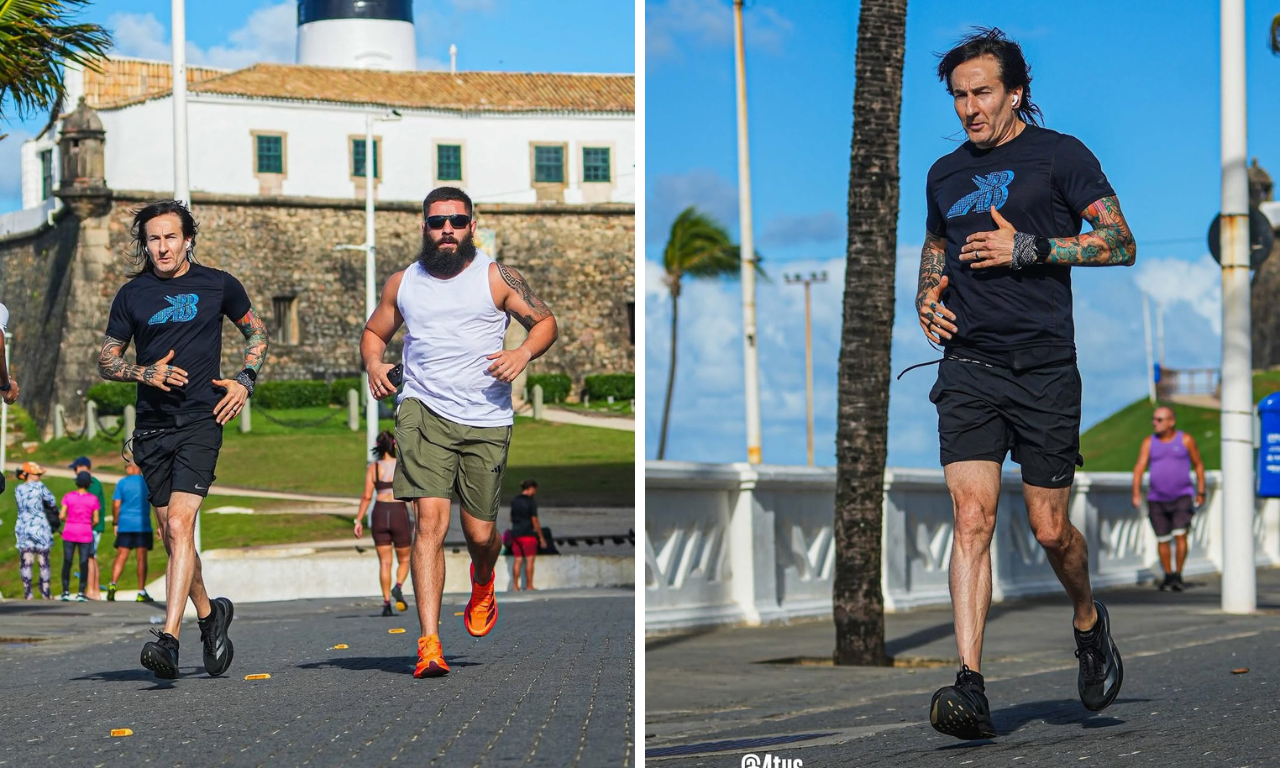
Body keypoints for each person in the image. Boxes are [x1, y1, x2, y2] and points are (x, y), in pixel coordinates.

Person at [915, 28, 1135, 739]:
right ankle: (970, 686)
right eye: (958, 96)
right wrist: (927, 301)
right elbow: (937, 247)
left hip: (1044, 368)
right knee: (971, 517)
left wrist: (1029, 247)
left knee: (1048, 529)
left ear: (1015, 92)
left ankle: (1088, 618)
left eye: (982, 92)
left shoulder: (1060, 156)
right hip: (970, 368)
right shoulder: (944, 173)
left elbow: (1119, 242)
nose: (970, 108)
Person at [362, 186, 558, 677]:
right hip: (422, 411)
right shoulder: (402, 283)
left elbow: (545, 323)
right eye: (436, 222)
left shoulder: (496, 276)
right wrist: (373, 363)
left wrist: (521, 353)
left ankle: (485, 576)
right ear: (424, 227)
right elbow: (374, 332)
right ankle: (429, 643)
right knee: (430, 523)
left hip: (486, 418)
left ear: (472, 225)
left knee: (480, 533)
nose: (446, 229)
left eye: (455, 220)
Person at [97, 199, 269, 680]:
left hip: (201, 419)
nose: (162, 247)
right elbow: (106, 361)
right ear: (144, 244)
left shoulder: (218, 283)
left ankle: (168, 641)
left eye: (171, 237)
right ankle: (212, 616)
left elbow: (257, 334)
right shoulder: (132, 295)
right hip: (152, 428)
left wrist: (244, 379)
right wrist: (143, 372)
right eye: (153, 238)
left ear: (188, 239)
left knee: (178, 527)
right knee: (172, 540)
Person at [1131, 406, 1205, 592]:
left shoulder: (1185, 440)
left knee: (1180, 534)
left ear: (1171, 421)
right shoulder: (1149, 442)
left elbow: (1198, 465)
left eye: (1159, 419)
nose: (1154, 423)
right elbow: (1139, 467)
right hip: (1156, 498)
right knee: (1162, 538)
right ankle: (1168, 575)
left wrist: (1201, 492)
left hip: (1182, 496)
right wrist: (1136, 492)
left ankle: (1178, 575)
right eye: (1154, 419)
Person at [353, 430, 412, 616]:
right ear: (394, 445)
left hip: (379, 513)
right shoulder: (401, 465)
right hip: (398, 512)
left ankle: (386, 603)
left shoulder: (373, 468)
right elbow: (411, 494)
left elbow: (366, 496)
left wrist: (358, 520)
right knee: (404, 559)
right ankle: (398, 586)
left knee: (384, 563)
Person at [108, 458, 156, 602]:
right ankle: (141, 591)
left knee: (121, 555)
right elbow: (156, 504)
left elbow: (116, 505)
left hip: (125, 523)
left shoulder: (122, 483)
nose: (126, 469)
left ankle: (113, 584)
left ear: (135, 467)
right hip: (142, 524)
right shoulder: (147, 483)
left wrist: (116, 522)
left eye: (128, 466)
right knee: (141, 558)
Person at [14, 462, 55, 600]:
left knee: (27, 561)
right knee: (43, 561)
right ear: (29, 475)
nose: (39, 477)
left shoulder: (18, 489)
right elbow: (51, 501)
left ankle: (28, 592)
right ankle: (45, 591)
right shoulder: (40, 487)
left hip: (24, 525)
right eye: (37, 474)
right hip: (40, 526)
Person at [69, 456, 108, 600]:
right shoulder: (91, 483)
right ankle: (94, 589)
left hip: (92, 526)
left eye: (76, 468)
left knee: (89, 557)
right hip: (90, 526)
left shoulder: (93, 484)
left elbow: (88, 505)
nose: (75, 471)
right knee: (92, 557)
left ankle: (92, 590)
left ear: (84, 467)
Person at [59, 471, 100, 601]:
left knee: (67, 561)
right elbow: (96, 519)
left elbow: (61, 515)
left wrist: (69, 521)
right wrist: (87, 524)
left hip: (70, 530)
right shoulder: (93, 499)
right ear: (89, 484)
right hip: (85, 532)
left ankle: (65, 591)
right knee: (83, 562)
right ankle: (81, 592)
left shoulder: (68, 497)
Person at [509, 479, 547, 591]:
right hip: (527, 534)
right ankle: (529, 585)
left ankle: (515, 586)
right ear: (531, 489)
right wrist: (541, 537)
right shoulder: (531, 502)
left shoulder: (515, 500)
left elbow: (511, 518)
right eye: (534, 490)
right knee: (530, 560)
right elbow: (534, 520)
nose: (535, 492)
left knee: (518, 559)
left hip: (515, 533)